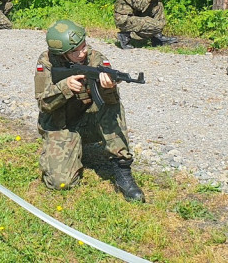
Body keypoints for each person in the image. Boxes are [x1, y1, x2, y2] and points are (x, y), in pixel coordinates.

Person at [33, 20, 145, 202]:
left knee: (111, 106)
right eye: (75, 51)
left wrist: (108, 88)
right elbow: (43, 104)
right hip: (60, 125)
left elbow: (111, 102)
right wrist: (65, 87)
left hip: (89, 121)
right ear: (61, 54)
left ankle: (122, 169)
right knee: (60, 182)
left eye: (83, 46)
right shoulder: (47, 62)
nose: (83, 52)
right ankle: (71, 146)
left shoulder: (96, 59)